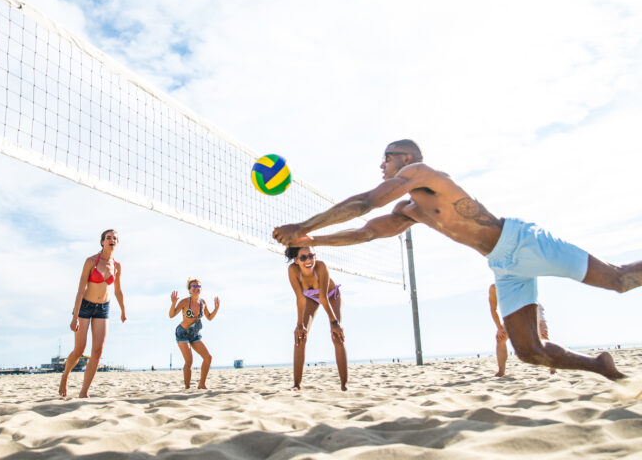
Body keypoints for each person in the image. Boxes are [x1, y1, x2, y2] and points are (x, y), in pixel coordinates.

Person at [273, 139, 642, 380]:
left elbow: (366, 202)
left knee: (619, 280)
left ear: (406, 158)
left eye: (386, 157)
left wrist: (304, 224)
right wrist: (312, 239)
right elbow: (367, 231)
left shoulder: (420, 174)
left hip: (522, 241)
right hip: (503, 265)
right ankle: (603, 368)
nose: (381, 165)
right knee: (530, 351)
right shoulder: (410, 210)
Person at [59, 229, 126, 398]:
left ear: (117, 243)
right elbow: (80, 290)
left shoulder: (117, 266)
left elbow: (118, 291)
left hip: (103, 308)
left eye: (114, 238)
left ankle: (84, 392)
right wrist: (74, 317)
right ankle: (65, 375)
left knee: (97, 351)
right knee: (79, 350)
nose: (111, 240)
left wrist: (123, 310)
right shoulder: (90, 261)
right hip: (85, 306)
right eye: (108, 238)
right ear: (102, 242)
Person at [285, 246, 348, 390]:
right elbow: (300, 298)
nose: (308, 260)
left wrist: (334, 323)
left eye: (311, 256)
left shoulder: (321, 267)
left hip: (331, 297)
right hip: (310, 298)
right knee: (300, 336)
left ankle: (344, 385)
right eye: (303, 258)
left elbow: (324, 298)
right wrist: (299, 325)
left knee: (336, 335)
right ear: (296, 261)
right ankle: (296, 385)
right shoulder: (293, 270)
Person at [489, 283, 555, 377]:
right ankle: (501, 371)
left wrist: (537, 327)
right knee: (501, 338)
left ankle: (553, 369)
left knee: (542, 335)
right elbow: (493, 309)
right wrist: (499, 328)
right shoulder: (494, 288)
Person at [169, 277, 220, 389]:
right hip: (183, 333)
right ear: (189, 289)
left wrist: (216, 309)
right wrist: (173, 303)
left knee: (208, 357)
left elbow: (209, 317)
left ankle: (201, 384)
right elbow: (171, 315)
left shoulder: (203, 302)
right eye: (193, 286)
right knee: (189, 361)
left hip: (195, 334)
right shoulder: (184, 302)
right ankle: (187, 387)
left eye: (198, 286)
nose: (196, 288)